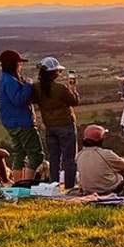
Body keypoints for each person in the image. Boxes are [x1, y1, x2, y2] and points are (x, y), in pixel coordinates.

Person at [31, 57, 80, 189]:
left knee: (54, 158)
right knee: (69, 159)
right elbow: (74, 101)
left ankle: (53, 186)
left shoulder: (36, 88)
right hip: (66, 126)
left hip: (50, 127)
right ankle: (69, 187)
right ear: (54, 73)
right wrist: (73, 88)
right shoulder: (61, 88)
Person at [0, 49, 45, 182]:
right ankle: (26, 184)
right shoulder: (10, 80)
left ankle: (18, 184)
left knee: (20, 154)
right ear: (13, 64)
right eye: (19, 63)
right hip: (21, 122)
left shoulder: (4, 78)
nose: (20, 65)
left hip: (11, 122)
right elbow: (18, 99)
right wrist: (28, 85)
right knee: (36, 155)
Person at [75, 124, 124, 194]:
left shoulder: (79, 155)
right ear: (100, 140)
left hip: (88, 190)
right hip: (108, 189)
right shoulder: (106, 154)